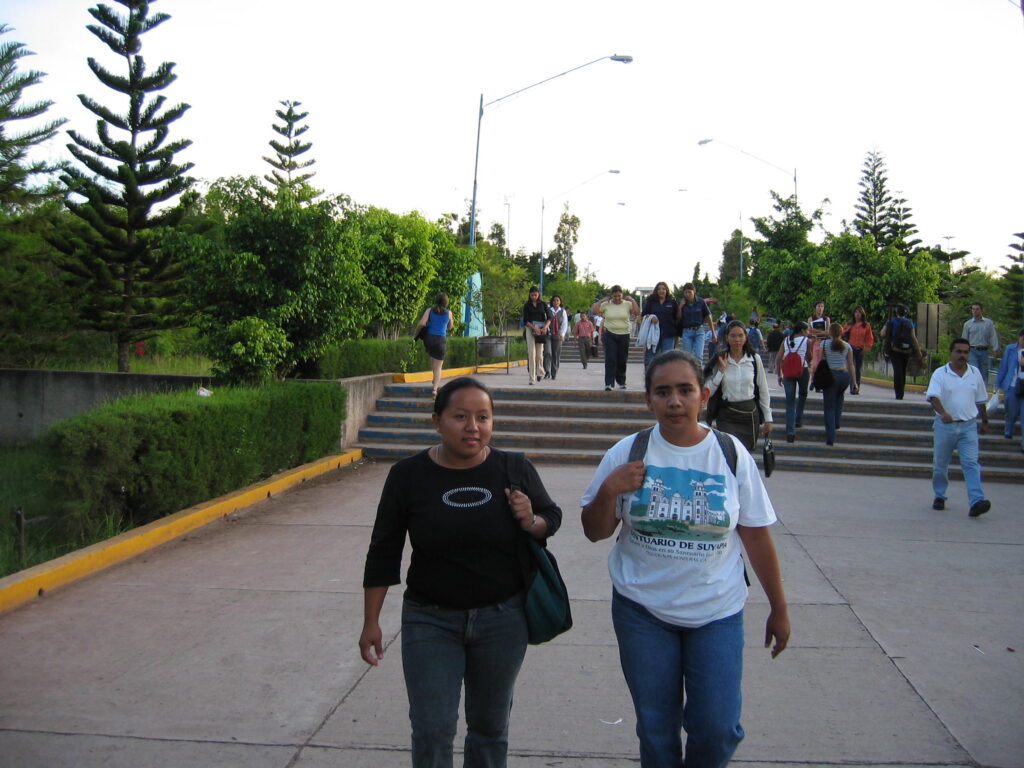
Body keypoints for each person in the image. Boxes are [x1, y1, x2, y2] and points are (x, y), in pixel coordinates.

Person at [580, 349, 789, 768]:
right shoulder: (627, 452)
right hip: (643, 611)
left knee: (717, 728)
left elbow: (755, 536)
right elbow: (594, 531)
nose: (674, 401)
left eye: (684, 390)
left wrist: (779, 608)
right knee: (656, 729)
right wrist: (609, 491)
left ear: (704, 395)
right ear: (648, 400)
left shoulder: (730, 455)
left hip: (717, 612)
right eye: (663, 392)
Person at [359, 377, 563, 768]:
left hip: (503, 620)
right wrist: (371, 621)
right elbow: (384, 549)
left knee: (489, 728)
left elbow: (550, 518)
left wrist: (531, 519)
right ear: (437, 420)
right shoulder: (407, 476)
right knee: (432, 729)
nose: (474, 427)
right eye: (461, 416)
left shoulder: (513, 469)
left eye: (483, 417)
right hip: (429, 620)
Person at [925, 339, 991, 517]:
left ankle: (977, 500)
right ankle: (940, 495)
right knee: (940, 464)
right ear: (951, 353)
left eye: (965, 352)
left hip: (968, 426)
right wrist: (943, 413)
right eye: (959, 351)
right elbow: (933, 397)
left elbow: (980, 400)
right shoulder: (940, 373)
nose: (962, 355)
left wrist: (984, 421)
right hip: (945, 426)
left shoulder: (974, 373)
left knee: (971, 464)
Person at [703, 320, 773, 451]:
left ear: (746, 337)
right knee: (729, 453)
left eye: (740, 335)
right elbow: (708, 391)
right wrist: (721, 371)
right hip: (727, 414)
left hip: (749, 414)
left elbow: (763, 389)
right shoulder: (720, 359)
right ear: (726, 338)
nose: (737, 339)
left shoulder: (754, 359)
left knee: (746, 457)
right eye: (733, 336)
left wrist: (768, 418)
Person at [812, 324, 857, 446]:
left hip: (830, 377)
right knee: (840, 396)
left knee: (829, 407)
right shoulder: (847, 346)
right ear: (841, 333)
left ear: (830, 333)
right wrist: (854, 382)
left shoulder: (825, 344)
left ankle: (831, 436)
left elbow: (821, 361)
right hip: (844, 377)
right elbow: (851, 364)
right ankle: (836, 422)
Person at [592, 286, 641, 391]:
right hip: (609, 334)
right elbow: (594, 311)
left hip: (624, 335)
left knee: (622, 359)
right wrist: (601, 301)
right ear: (611, 296)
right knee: (610, 359)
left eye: (619, 296)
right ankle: (609, 383)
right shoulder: (606, 304)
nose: (617, 298)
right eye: (615, 296)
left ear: (622, 295)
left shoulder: (627, 304)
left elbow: (637, 312)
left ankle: (621, 381)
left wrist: (632, 300)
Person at [776, 321, 811, 443]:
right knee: (802, 394)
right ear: (802, 331)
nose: (808, 332)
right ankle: (798, 419)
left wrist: (779, 374)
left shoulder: (786, 340)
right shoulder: (807, 341)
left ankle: (790, 431)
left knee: (790, 402)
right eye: (807, 330)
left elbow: (779, 358)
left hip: (788, 372)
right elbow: (809, 357)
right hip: (803, 370)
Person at [416, 292, 454, 397]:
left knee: (433, 359)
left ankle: (434, 380)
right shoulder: (449, 313)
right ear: (446, 302)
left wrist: (416, 333)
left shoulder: (429, 310)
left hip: (428, 339)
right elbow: (451, 327)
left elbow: (422, 323)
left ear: (436, 301)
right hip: (440, 340)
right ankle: (434, 389)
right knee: (438, 367)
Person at [880, 305, 923, 400]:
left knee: (897, 370)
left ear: (897, 312)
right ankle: (901, 392)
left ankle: (898, 393)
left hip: (894, 349)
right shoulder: (910, 323)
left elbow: (882, 333)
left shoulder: (891, 322)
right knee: (903, 371)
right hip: (906, 351)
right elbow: (913, 337)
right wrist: (918, 351)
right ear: (906, 313)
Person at [995, 327, 1024, 454]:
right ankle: (1009, 429)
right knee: (1011, 410)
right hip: (1012, 384)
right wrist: (998, 383)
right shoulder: (1010, 349)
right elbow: (1004, 367)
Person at [641, 281, 679, 367]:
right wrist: (651, 317)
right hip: (653, 334)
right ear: (656, 291)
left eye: (663, 289)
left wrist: (678, 335)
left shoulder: (672, 302)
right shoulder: (651, 302)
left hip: (668, 334)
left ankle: (667, 379)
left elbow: (677, 318)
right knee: (650, 358)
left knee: (668, 358)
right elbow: (644, 315)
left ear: (667, 291)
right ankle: (650, 378)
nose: (661, 291)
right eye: (659, 289)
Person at [962, 301, 1000, 386]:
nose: (975, 311)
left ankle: (983, 393)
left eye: (977, 309)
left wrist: (996, 349)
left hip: (984, 350)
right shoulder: (967, 324)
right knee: (974, 370)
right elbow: (964, 339)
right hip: (972, 350)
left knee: (984, 373)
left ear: (981, 310)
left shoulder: (988, 323)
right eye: (973, 309)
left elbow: (993, 336)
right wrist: (963, 352)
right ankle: (973, 391)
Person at [676, 283, 716, 360]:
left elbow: (708, 316)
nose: (687, 294)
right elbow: (678, 318)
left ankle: (698, 371)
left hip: (699, 331)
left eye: (689, 292)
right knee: (687, 357)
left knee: (698, 356)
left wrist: (713, 332)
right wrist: (680, 307)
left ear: (694, 291)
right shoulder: (682, 302)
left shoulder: (701, 302)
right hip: (687, 331)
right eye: (685, 292)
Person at [521, 286, 550, 385]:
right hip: (530, 329)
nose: (534, 297)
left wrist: (545, 327)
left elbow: (549, 317)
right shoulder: (527, 305)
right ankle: (531, 378)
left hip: (541, 330)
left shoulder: (543, 304)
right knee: (531, 354)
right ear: (529, 295)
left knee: (539, 355)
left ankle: (540, 372)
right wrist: (534, 328)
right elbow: (525, 321)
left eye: (535, 295)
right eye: (532, 295)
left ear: (539, 294)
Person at [843, 306, 874, 393]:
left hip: (860, 348)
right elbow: (841, 333)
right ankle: (852, 386)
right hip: (850, 348)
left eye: (859, 312)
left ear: (862, 314)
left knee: (858, 369)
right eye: (856, 312)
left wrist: (867, 348)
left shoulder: (866, 325)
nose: (857, 314)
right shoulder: (850, 324)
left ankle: (857, 386)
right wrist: (846, 330)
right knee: (851, 368)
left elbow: (870, 338)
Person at [544, 294, 569, 381]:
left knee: (556, 354)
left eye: (557, 300)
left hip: (557, 335)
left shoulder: (563, 311)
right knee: (547, 352)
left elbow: (565, 324)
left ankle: (554, 373)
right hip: (548, 334)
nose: (556, 302)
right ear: (552, 301)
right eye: (554, 300)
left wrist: (562, 334)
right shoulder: (548, 310)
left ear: (560, 302)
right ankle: (547, 371)